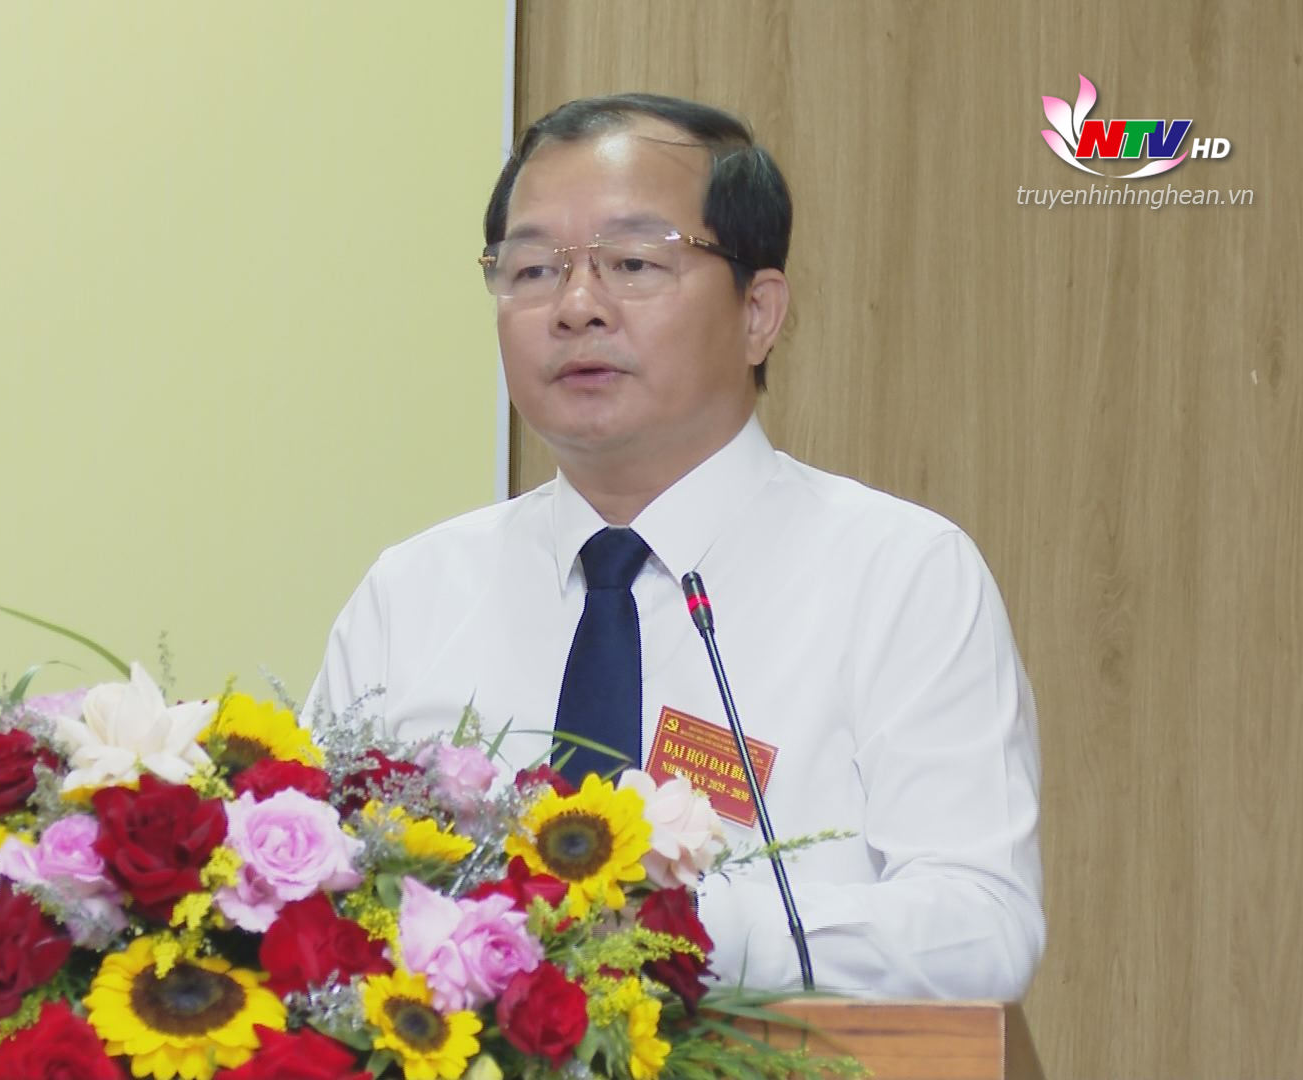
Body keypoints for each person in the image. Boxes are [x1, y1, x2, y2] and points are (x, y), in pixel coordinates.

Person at [306, 93, 1043, 1000]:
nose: (577, 306)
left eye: (632, 263)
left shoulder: (900, 575)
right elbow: (312, 908)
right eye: (532, 270)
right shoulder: (413, 594)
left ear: (758, 313)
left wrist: (678, 927)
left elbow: (982, 929)